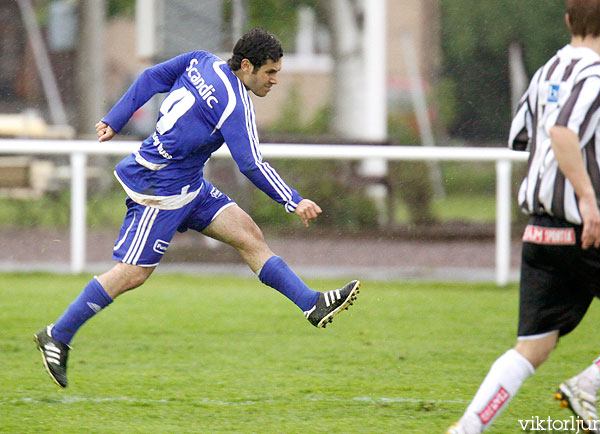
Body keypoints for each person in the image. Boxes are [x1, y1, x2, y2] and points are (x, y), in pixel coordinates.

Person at [34, 27, 360, 389]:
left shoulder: (200, 60)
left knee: (249, 235)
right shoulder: (236, 104)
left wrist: (115, 118)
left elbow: (152, 76)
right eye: (270, 72)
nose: (275, 80)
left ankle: (311, 304)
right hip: (160, 189)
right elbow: (251, 164)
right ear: (247, 65)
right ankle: (57, 334)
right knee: (131, 273)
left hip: (189, 185)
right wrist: (293, 199)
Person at [447, 1, 600, 433]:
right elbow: (561, 133)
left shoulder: (546, 71)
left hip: (539, 231)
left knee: (532, 348)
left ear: (568, 21)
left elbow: (523, 137)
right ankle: (587, 384)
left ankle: (466, 428)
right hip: (584, 230)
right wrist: (589, 202)